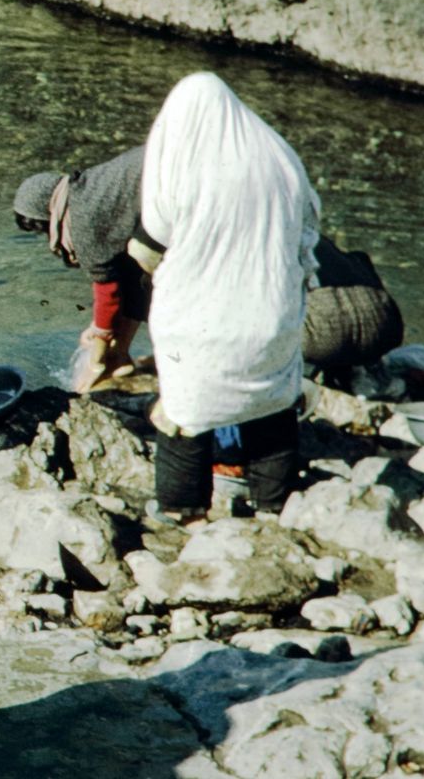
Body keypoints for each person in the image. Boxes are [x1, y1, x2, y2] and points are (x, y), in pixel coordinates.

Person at [129, 72, 319, 515]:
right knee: (270, 406)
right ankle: (276, 508)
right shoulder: (280, 156)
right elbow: (307, 236)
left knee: (185, 414)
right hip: (271, 316)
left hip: (201, 324)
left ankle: (184, 512)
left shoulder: (185, 160)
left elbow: (151, 241)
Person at [12, 145, 150, 391]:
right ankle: (119, 356)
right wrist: (103, 332)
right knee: (138, 273)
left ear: (46, 213)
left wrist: (96, 351)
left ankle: (107, 364)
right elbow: (132, 277)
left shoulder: (82, 216)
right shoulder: (89, 188)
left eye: (41, 229)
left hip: (179, 180)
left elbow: (107, 289)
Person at [303, 233, 403, 386]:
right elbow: (362, 258)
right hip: (386, 327)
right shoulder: (311, 232)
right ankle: (347, 372)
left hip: (325, 341)